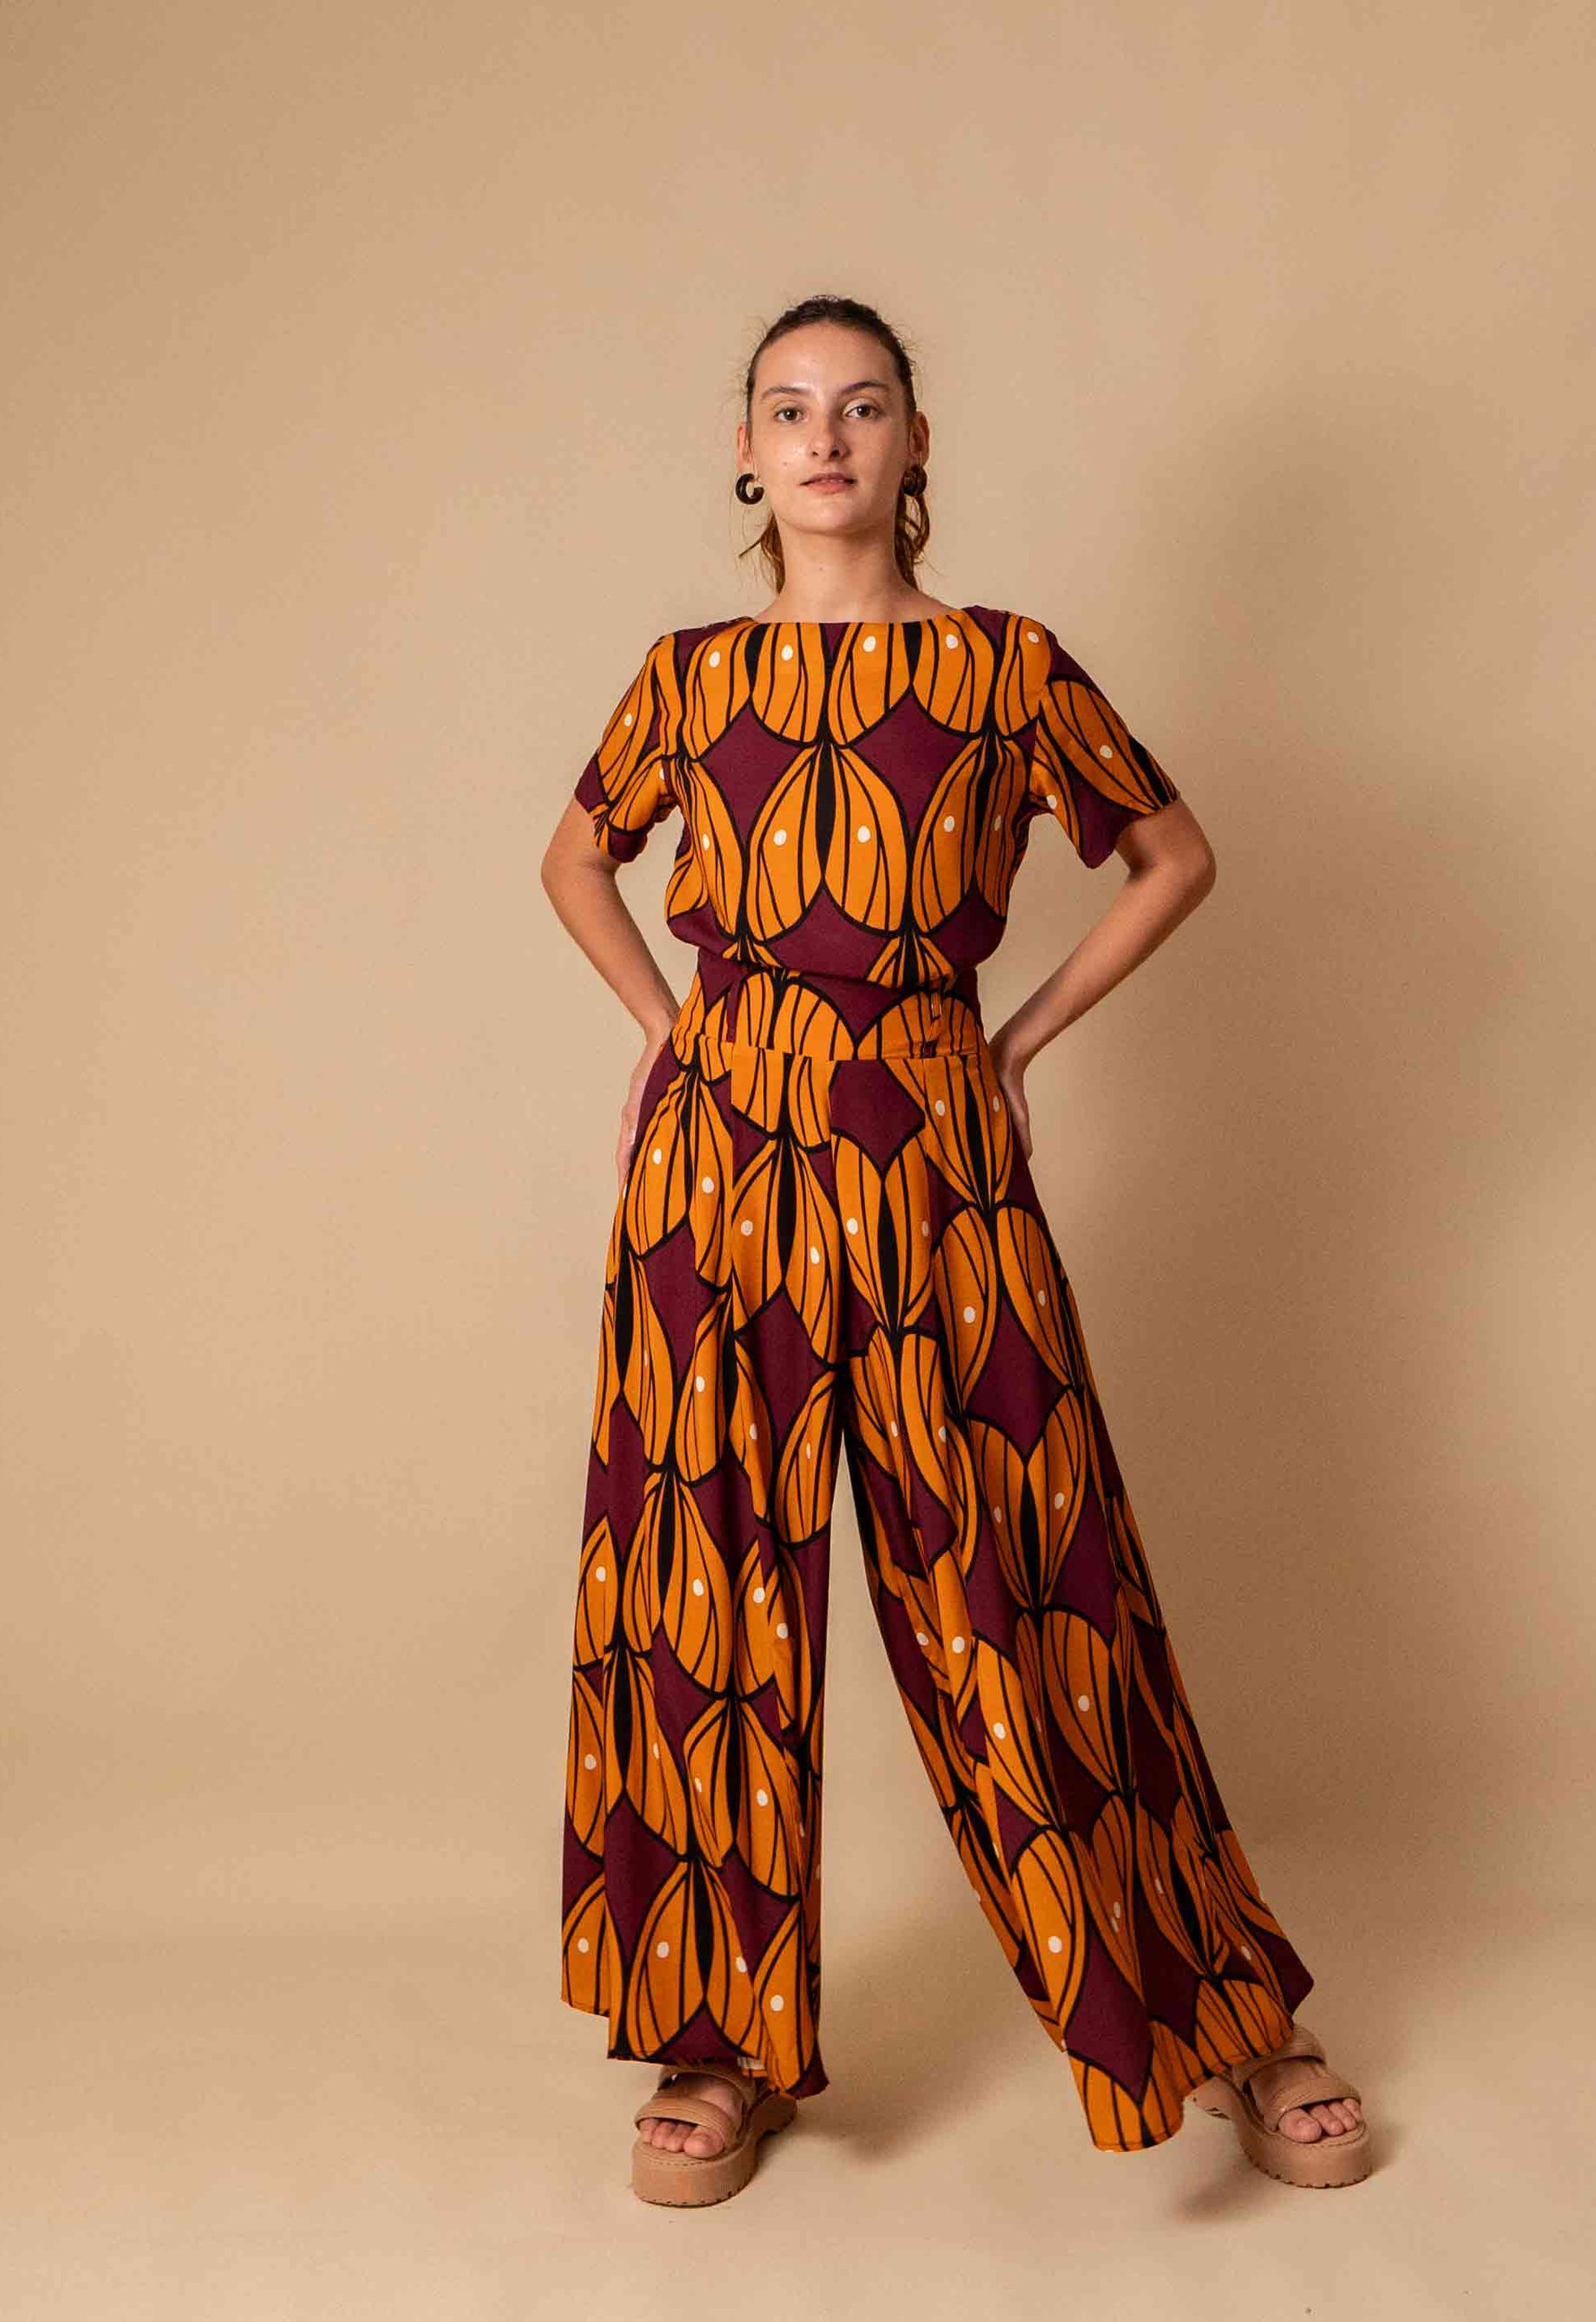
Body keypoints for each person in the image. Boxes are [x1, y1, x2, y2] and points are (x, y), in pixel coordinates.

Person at [539, 293, 1371, 2205]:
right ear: (746, 454)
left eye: (863, 406)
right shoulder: (684, 677)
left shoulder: (1005, 666)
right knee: (702, 1591)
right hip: (719, 1162)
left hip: (932, 1142)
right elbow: (575, 858)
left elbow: (1172, 854)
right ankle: (717, 2041)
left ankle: (1225, 2015)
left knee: (1031, 1572)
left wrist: (1014, 1040)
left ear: (914, 443)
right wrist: (669, 1032)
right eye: (789, 409)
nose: (825, 437)